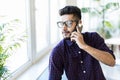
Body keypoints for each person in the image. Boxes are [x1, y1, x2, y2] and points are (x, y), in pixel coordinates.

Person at [49, 5, 115, 80]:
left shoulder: (93, 37)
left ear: (79, 23)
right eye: (62, 23)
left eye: (69, 23)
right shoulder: (58, 51)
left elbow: (111, 62)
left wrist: (84, 46)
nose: (64, 28)